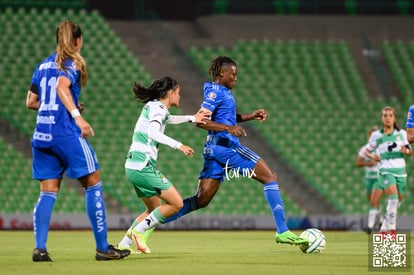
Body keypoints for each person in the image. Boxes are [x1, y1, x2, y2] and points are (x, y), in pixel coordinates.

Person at [123, 56, 307, 250]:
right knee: (270, 177)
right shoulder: (215, 93)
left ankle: (144, 229)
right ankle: (282, 231)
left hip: (214, 150)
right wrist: (228, 130)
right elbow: (201, 121)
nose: (236, 77)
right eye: (233, 74)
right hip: (227, 148)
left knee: (201, 200)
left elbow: (225, 117)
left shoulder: (222, 92)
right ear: (222, 73)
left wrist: (249, 116)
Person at [26, 21, 130, 261]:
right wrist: (77, 116)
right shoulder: (71, 63)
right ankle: (103, 248)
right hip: (65, 134)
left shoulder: (41, 66)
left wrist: (67, 107)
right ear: (78, 41)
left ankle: (40, 249)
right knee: (93, 181)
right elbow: (62, 87)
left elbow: (31, 102)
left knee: (48, 191)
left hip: (41, 136)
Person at [117, 76, 208, 253]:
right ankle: (138, 231)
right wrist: (179, 145)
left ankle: (124, 244)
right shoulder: (158, 109)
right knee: (176, 203)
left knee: (154, 209)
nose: (180, 97)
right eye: (178, 93)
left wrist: (192, 118)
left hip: (133, 165)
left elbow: (169, 119)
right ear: (171, 93)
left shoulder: (154, 106)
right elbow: (153, 132)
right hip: (143, 165)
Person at [365, 106, 411, 236]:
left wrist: (406, 151)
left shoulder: (401, 134)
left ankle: (383, 229)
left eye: (391, 115)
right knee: (394, 198)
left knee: (399, 200)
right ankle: (391, 230)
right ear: (382, 118)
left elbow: (410, 151)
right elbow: (368, 151)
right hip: (386, 171)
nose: (388, 118)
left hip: (401, 172)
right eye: (385, 115)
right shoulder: (376, 135)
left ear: (394, 118)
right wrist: (374, 156)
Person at [356, 126, 382, 234]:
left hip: (379, 177)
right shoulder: (364, 149)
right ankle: (381, 221)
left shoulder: (382, 148)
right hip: (369, 178)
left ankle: (370, 226)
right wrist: (368, 164)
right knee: (373, 202)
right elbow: (358, 163)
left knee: (373, 202)